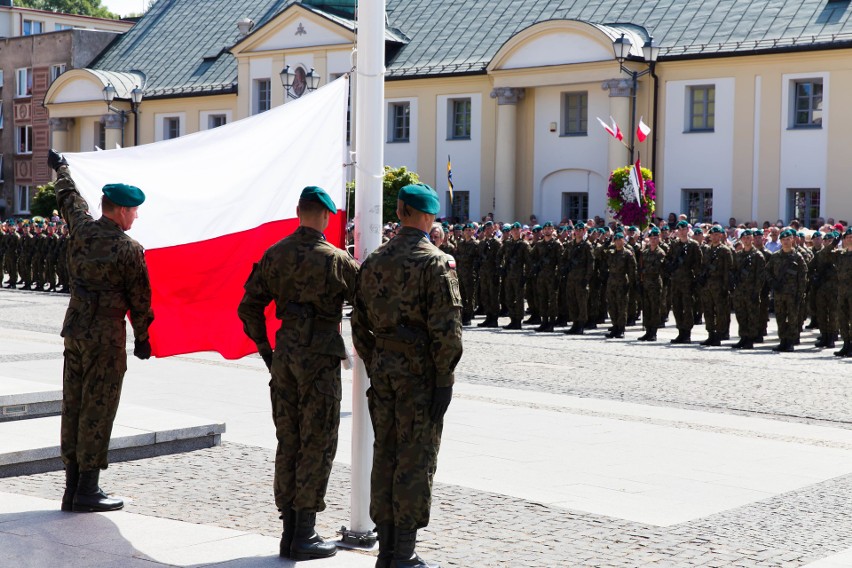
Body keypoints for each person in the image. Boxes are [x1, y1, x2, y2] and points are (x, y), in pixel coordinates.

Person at [238, 186, 358, 560]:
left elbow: (248, 308)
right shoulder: (335, 259)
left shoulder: (275, 254)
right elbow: (369, 301)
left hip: (285, 355)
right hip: (320, 357)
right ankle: (304, 534)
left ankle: (289, 530)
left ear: (298, 212)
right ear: (325, 215)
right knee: (317, 442)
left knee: (288, 439)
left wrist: (265, 350)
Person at [352, 183, 463, 568]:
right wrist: (444, 380)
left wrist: (378, 358)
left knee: (385, 454)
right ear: (430, 217)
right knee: (415, 459)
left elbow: (359, 323)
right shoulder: (437, 263)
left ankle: (386, 550)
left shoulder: (374, 261)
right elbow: (447, 333)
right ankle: (403, 552)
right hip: (420, 378)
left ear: (400, 211)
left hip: (383, 373)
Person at [48, 149, 154, 513]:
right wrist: (143, 339)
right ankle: (88, 490)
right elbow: (140, 300)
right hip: (106, 337)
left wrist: (60, 167)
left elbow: (68, 198)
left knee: (73, 405)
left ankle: (71, 487)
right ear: (121, 210)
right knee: (98, 408)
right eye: (134, 210)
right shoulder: (129, 249)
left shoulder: (80, 228)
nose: (136, 215)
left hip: (75, 330)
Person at [766, 228, 807, 352]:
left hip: (793, 294)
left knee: (793, 318)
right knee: (780, 317)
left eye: (788, 239)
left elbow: (803, 276)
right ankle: (783, 340)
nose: (786, 242)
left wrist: (800, 294)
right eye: (783, 240)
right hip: (779, 293)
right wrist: (772, 283)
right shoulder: (775, 256)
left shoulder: (797, 257)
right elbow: (767, 271)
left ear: (792, 240)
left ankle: (790, 341)